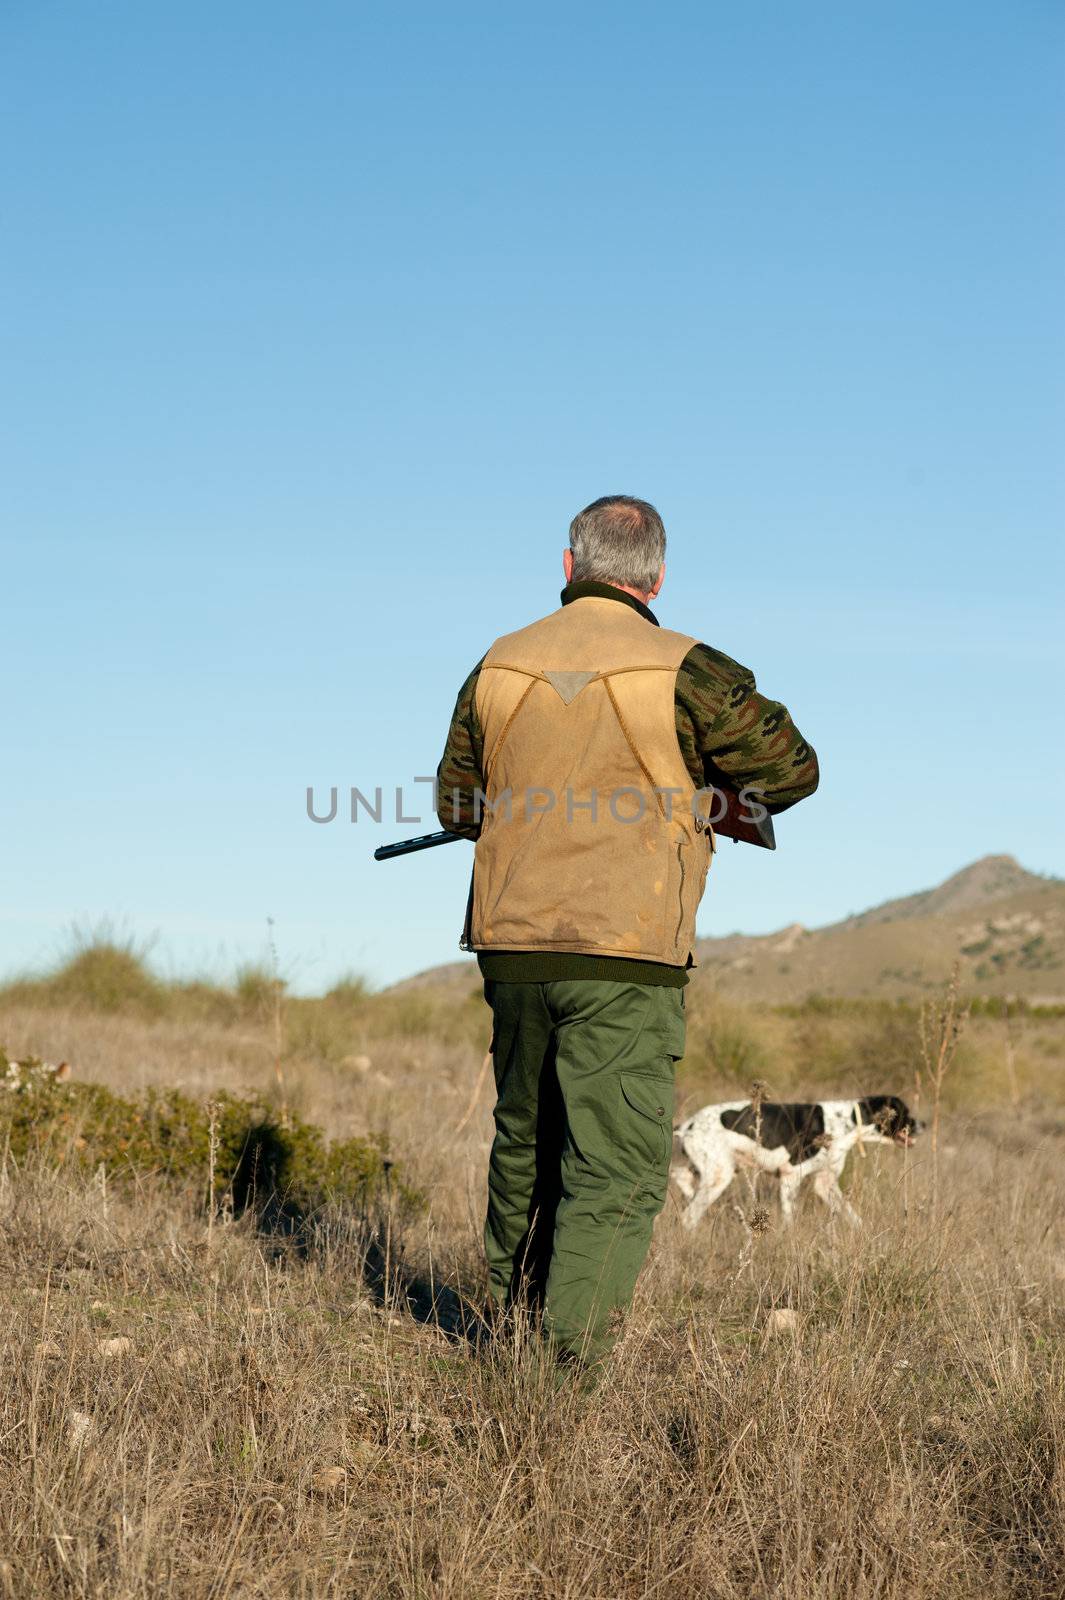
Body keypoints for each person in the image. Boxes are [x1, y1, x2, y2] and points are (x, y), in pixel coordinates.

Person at [436, 495, 818, 1368]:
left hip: (510, 942)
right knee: (613, 1167)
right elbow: (793, 771)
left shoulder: (497, 664)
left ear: (567, 567)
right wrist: (707, 797)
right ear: (655, 578)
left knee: (525, 1144)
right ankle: (559, 1377)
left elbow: (458, 805)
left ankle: (502, 1336)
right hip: (627, 950)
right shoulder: (686, 667)